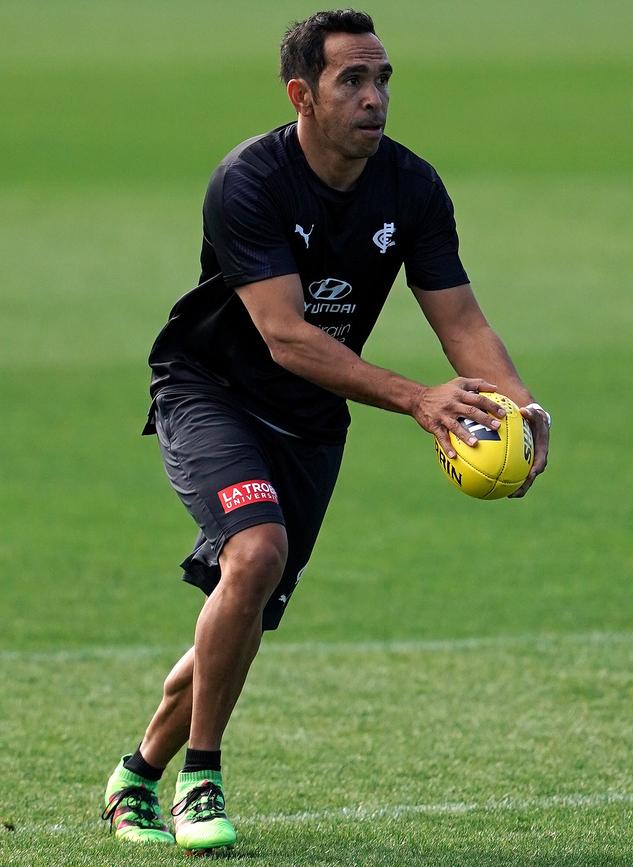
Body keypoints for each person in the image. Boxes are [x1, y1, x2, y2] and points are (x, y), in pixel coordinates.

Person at [101, 8, 550, 854]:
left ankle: (136, 774)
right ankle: (203, 775)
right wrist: (420, 400)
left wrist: (521, 407)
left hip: (309, 421)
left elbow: (461, 320)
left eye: (383, 79)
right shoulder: (250, 182)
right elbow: (287, 334)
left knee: (244, 606)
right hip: (213, 392)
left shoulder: (412, 187)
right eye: (354, 80)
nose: (376, 97)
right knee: (256, 552)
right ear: (301, 94)